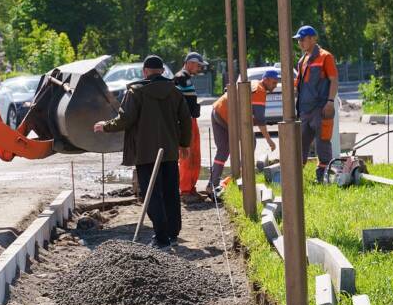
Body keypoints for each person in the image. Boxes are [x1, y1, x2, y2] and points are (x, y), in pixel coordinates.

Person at [94, 55, 192, 249]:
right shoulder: (174, 91)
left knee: (152, 194)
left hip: (145, 152)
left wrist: (105, 126)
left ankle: (161, 238)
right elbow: (186, 120)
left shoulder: (136, 92)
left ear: (145, 71)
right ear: (162, 71)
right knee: (171, 192)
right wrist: (184, 144)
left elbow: (125, 119)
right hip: (170, 151)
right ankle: (172, 233)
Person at [206, 69, 280, 197]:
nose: (275, 86)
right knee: (250, 141)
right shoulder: (260, 90)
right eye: (273, 83)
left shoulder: (255, 83)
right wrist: (269, 140)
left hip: (217, 110)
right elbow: (260, 120)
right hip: (228, 114)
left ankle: (212, 184)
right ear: (266, 79)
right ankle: (238, 176)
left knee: (223, 150)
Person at [293, 25, 338, 182]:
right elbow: (298, 84)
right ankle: (296, 177)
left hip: (321, 108)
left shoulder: (326, 57)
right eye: (298, 40)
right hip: (305, 111)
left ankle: (323, 177)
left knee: (323, 143)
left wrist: (330, 102)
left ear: (313, 39)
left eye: (302, 39)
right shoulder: (302, 60)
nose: (300, 43)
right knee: (301, 144)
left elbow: (333, 80)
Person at [174, 52, 207, 201]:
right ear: (189, 63)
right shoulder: (180, 78)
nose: (199, 68)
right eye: (198, 65)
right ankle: (185, 191)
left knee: (195, 155)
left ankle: (191, 188)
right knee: (187, 156)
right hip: (185, 122)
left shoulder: (186, 78)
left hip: (192, 120)